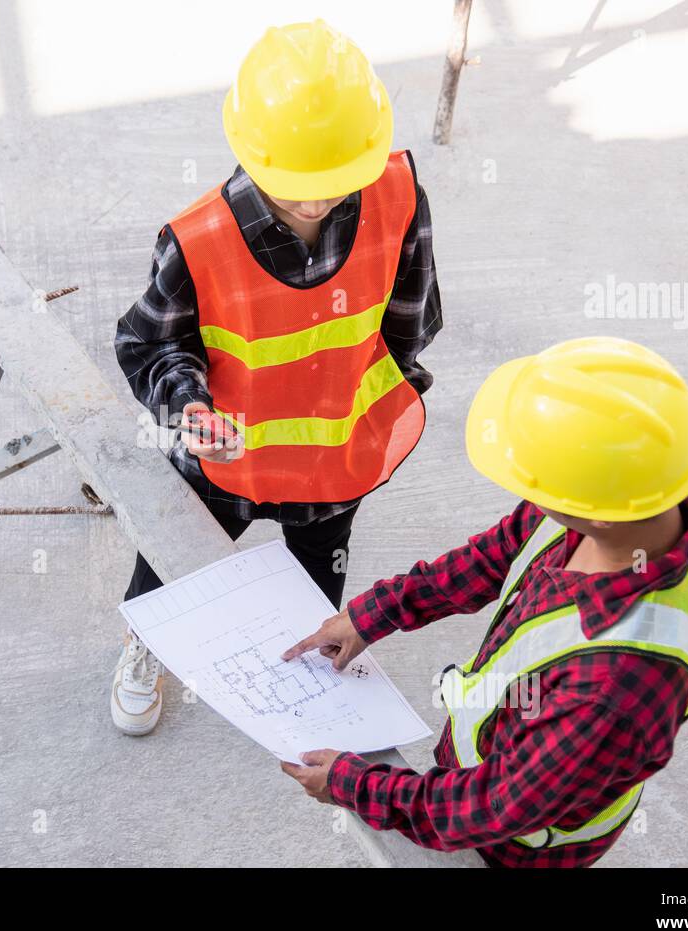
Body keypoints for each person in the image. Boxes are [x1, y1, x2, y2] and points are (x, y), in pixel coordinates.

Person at [111, 19, 443, 735]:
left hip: (332, 459)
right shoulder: (199, 241)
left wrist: (394, 388)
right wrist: (188, 407)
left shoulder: (397, 197)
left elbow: (409, 317)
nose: (318, 203)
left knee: (317, 592)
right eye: (299, 188)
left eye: (334, 184)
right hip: (221, 460)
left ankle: (309, 692)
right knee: (173, 567)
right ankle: (148, 643)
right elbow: (147, 344)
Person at [280, 337, 688, 867]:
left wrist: (354, 784)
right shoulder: (655, 493)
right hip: (503, 751)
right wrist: (373, 614)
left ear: (597, 512)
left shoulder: (613, 693)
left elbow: (488, 808)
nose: (530, 496)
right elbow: (497, 552)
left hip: (516, 846)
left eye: (542, 483)